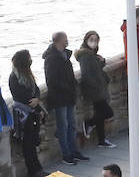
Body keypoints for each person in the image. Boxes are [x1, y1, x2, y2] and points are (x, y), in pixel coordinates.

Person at [42, 32, 85, 165]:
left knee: (72, 124)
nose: (67, 41)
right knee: (63, 126)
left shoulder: (65, 54)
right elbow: (51, 80)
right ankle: (66, 154)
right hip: (59, 98)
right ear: (59, 41)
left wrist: (73, 86)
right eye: (66, 39)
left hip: (69, 96)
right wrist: (67, 87)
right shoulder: (51, 58)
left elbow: (70, 75)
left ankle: (73, 150)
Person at [8, 50, 46, 175]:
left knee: (33, 142)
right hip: (23, 114)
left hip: (32, 112)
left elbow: (36, 90)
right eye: (29, 58)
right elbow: (21, 96)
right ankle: (33, 170)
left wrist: (37, 99)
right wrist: (34, 103)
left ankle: (37, 168)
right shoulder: (14, 77)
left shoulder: (27, 75)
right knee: (28, 144)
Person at [75, 32, 115, 149]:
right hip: (95, 90)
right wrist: (97, 86)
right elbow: (86, 74)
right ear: (86, 40)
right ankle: (88, 123)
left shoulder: (92, 54)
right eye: (91, 39)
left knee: (100, 114)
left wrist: (101, 61)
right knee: (108, 112)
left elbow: (96, 69)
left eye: (96, 40)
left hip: (98, 88)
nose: (94, 42)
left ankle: (101, 140)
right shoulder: (85, 55)